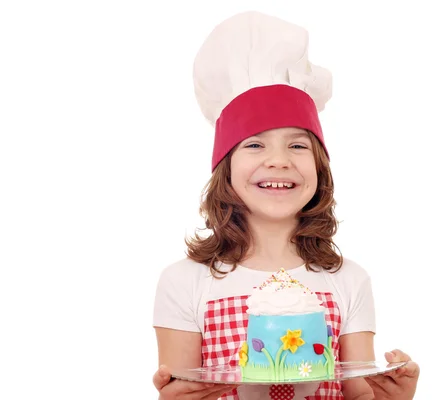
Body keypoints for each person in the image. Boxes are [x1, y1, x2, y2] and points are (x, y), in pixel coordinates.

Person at [151, 11, 420, 400]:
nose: (278, 160)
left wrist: (392, 399)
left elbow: (359, 394)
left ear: (319, 169)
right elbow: (185, 387)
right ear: (225, 168)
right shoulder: (185, 282)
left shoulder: (348, 280)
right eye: (255, 144)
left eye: (298, 145)